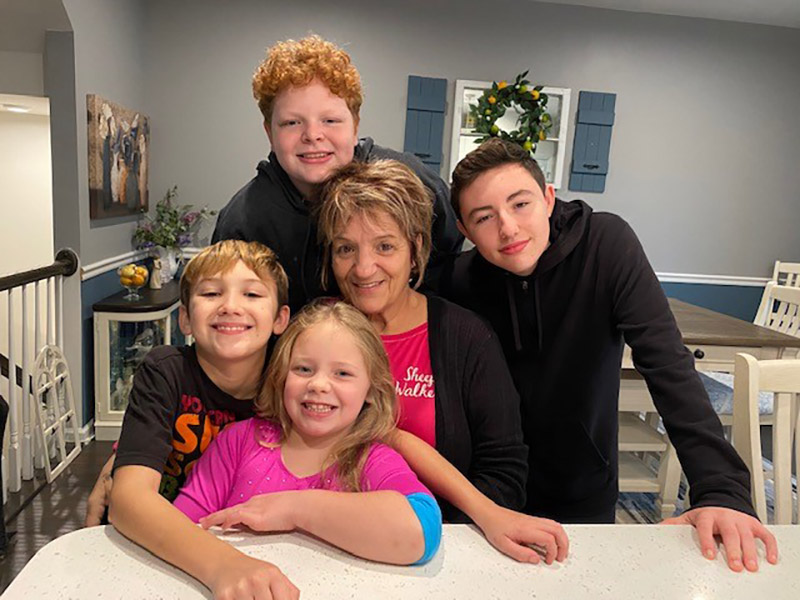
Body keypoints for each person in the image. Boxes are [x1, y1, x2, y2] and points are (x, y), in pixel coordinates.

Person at [442, 137, 778, 572]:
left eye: (520, 204)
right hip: (490, 492)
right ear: (466, 231)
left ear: (548, 199)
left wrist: (721, 489)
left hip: (583, 484)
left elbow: (668, 363)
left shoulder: (605, 244)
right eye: (484, 217)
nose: (507, 228)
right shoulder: (461, 281)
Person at [311, 159, 568, 564]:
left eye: (384, 246)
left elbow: (504, 472)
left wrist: (427, 535)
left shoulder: (464, 337)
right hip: (318, 544)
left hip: (438, 553)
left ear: (415, 250)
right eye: (346, 248)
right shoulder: (312, 330)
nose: (363, 268)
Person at [177, 300, 441, 566]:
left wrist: (295, 509)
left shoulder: (371, 460)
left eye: (342, 373)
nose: (318, 384)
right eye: (303, 369)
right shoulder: (239, 441)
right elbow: (181, 527)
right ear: (281, 376)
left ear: (372, 390)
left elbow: (423, 529)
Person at [211, 35, 463, 314]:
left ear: (355, 126)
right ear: (269, 132)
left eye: (330, 121)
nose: (313, 135)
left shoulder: (413, 182)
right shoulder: (244, 221)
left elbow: (448, 263)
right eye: (292, 123)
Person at [108, 240, 300, 600]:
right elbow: (128, 497)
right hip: (158, 552)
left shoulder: (292, 386)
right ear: (185, 318)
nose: (230, 306)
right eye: (211, 293)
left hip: (261, 554)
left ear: (280, 319)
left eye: (252, 295)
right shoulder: (165, 372)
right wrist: (223, 565)